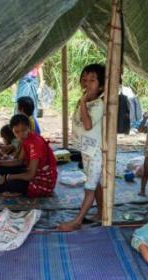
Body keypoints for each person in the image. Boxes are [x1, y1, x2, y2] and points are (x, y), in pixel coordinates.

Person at [57, 64, 105, 231]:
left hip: (95, 152)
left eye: (92, 80)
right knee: (96, 183)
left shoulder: (98, 104)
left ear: (101, 86)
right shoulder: (85, 100)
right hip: (86, 150)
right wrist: (83, 101)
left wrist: (83, 101)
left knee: (89, 187)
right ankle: (100, 213)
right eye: (85, 79)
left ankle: (77, 221)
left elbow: (87, 124)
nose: (87, 83)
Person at [0, 114, 57, 198]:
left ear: (29, 128)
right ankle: (16, 187)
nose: (21, 134)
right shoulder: (25, 139)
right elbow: (19, 161)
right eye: (17, 132)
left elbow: (31, 175)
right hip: (32, 172)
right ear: (12, 131)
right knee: (2, 168)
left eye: (24, 130)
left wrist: (7, 177)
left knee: (5, 185)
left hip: (43, 181)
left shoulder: (35, 143)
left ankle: (19, 191)